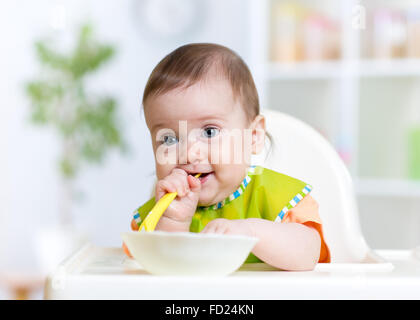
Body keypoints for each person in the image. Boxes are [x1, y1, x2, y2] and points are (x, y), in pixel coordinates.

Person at [124, 43, 330, 270]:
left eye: (209, 132)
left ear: (253, 136)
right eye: (170, 139)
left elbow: (307, 254)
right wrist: (173, 221)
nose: (189, 153)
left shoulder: (277, 198)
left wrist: (250, 232)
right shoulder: (160, 213)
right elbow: (155, 274)